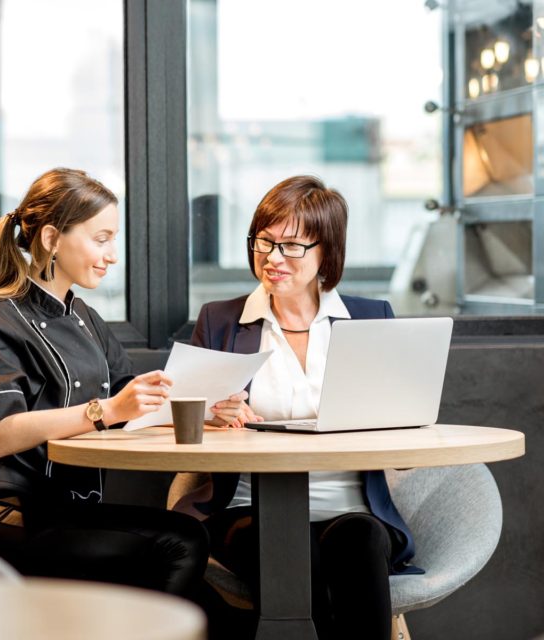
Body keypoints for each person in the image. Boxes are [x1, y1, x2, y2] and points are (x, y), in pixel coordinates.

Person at [0, 168, 249, 603]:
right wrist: (104, 411)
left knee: (205, 590)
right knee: (180, 544)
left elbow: (134, 404)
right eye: (101, 238)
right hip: (4, 512)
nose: (112, 254)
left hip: (64, 510)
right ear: (51, 238)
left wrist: (208, 410)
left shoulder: (84, 317)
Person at [176, 175, 421, 639]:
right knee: (288, 545)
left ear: (326, 251)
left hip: (352, 508)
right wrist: (213, 417)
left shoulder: (371, 318)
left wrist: (394, 425)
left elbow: (404, 440)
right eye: (263, 242)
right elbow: (185, 429)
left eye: (291, 246)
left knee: (360, 542)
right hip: (248, 509)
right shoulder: (222, 321)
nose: (272, 258)